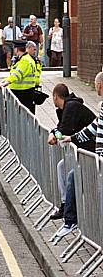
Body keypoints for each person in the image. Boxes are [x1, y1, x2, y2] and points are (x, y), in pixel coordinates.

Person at [53, 71, 103, 238]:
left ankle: (70, 221)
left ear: (99, 85)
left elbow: (65, 129)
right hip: (94, 156)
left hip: (97, 158)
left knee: (73, 176)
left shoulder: (71, 106)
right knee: (69, 174)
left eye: (96, 86)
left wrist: (61, 134)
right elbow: (91, 129)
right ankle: (69, 216)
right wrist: (70, 137)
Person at [46, 83, 95, 220]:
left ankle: (69, 212)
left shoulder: (71, 107)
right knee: (62, 167)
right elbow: (60, 128)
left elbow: (64, 130)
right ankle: (66, 205)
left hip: (90, 151)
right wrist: (53, 132)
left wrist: (54, 134)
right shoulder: (66, 107)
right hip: (83, 149)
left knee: (67, 171)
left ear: (55, 96)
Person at [0, 40, 37, 114]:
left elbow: (16, 75)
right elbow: (12, 75)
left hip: (23, 92)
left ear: (16, 49)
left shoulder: (25, 60)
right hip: (22, 91)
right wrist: (1, 82)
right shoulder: (23, 59)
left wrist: (3, 84)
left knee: (20, 116)